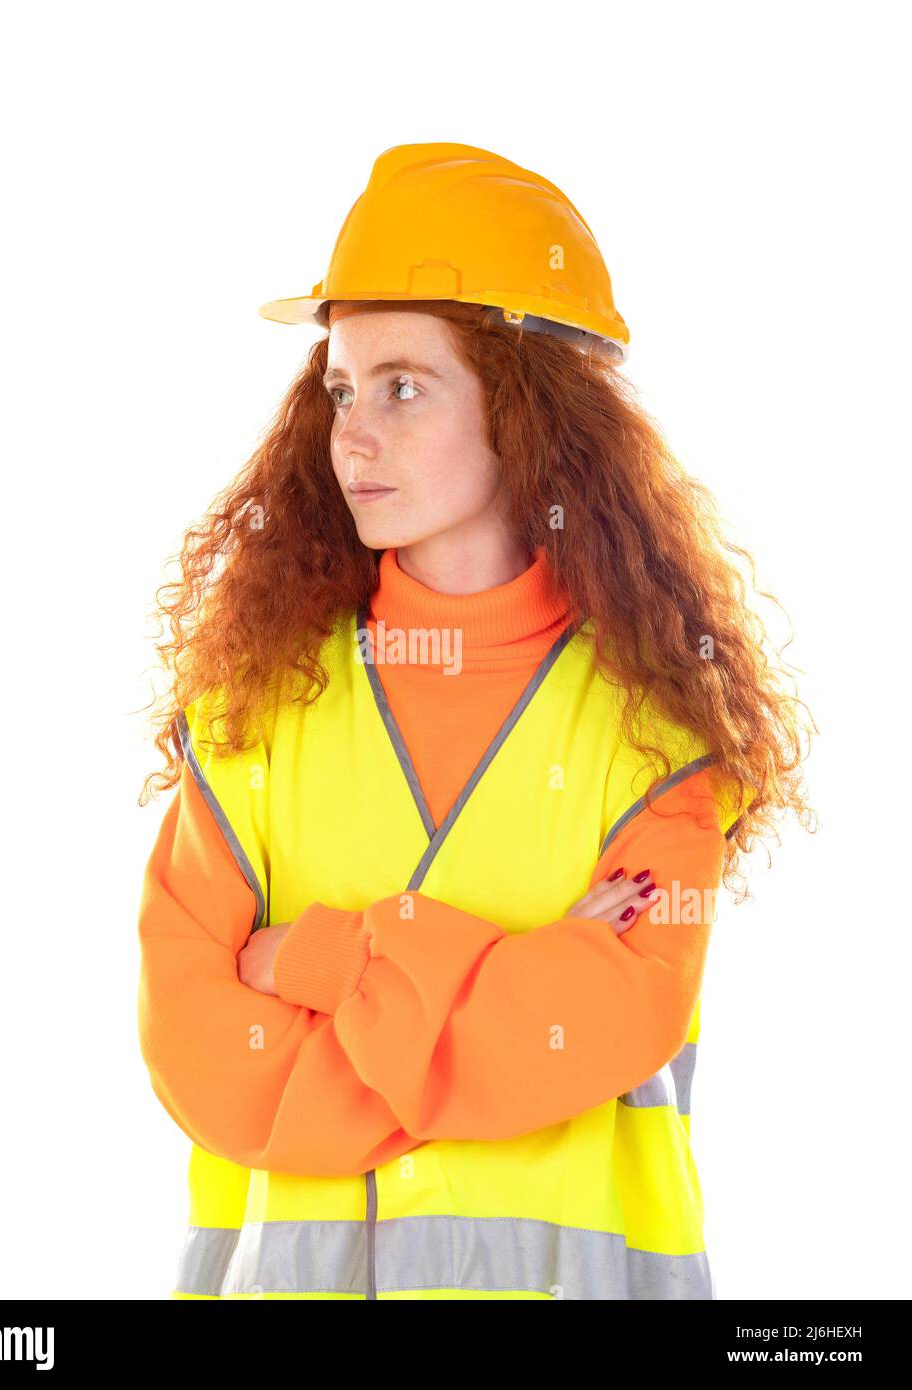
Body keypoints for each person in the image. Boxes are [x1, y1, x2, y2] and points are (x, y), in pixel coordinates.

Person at [135, 143, 813, 1300]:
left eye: (403, 385)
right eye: (340, 387)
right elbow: (203, 1062)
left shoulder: (655, 740)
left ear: (530, 410)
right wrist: (501, 992)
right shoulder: (250, 717)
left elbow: (607, 1020)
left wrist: (319, 958)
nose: (350, 433)